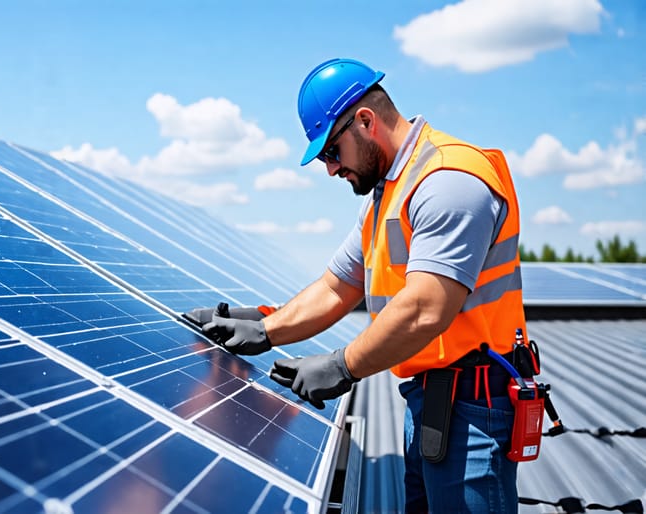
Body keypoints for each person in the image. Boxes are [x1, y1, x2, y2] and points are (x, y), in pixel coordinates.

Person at [193, 58, 529, 513]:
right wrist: (263, 327)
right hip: (431, 401)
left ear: (366, 122)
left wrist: (341, 366)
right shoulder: (387, 195)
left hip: (474, 403)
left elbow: (426, 309)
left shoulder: (449, 180)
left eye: (332, 151)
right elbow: (336, 288)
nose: (330, 169)